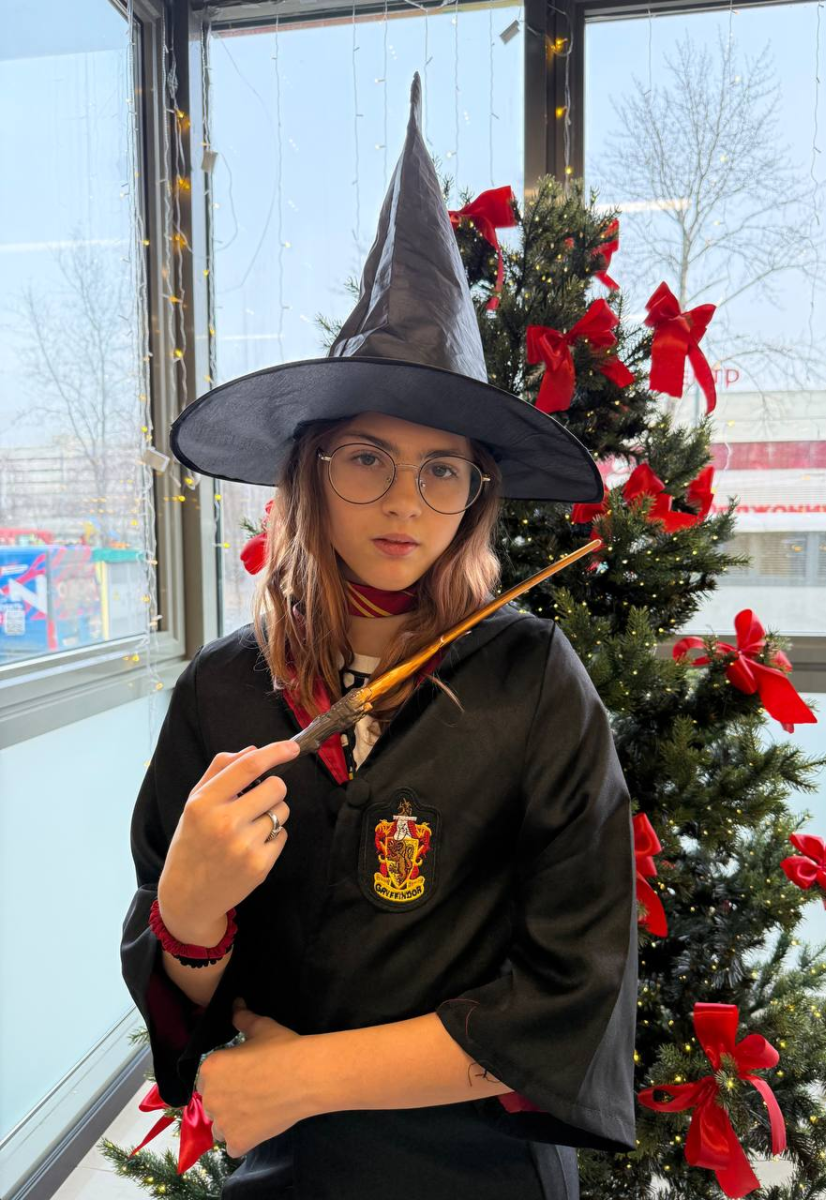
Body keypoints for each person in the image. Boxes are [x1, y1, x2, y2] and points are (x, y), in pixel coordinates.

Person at [121, 72, 638, 1200]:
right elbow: (181, 1001)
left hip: (485, 1176)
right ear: (308, 470)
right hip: (286, 1174)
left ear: (477, 495)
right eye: (367, 458)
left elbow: (575, 992)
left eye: (442, 470)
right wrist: (189, 915)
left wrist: (308, 1078)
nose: (406, 501)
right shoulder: (222, 694)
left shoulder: (534, 683)